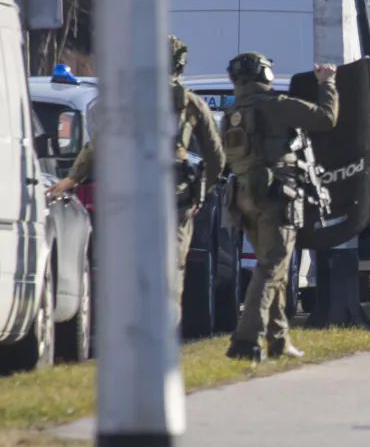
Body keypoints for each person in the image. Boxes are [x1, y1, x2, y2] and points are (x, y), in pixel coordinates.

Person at [47, 35, 225, 326]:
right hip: (176, 203)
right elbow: (216, 157)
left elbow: (97, 145)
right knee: (172, 274)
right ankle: (163, 341)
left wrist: (71, 178)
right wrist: (200, 194)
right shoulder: (190, 103)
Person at [223, 52, 339, 361]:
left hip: (243, 197)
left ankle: (278, 340)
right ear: (264, 74)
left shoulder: (233, 112)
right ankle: (245, 340)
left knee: (274, 268)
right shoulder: (276, 106)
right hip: (276, 195)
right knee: (272, 266)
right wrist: (327, 83)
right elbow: (326, 117)